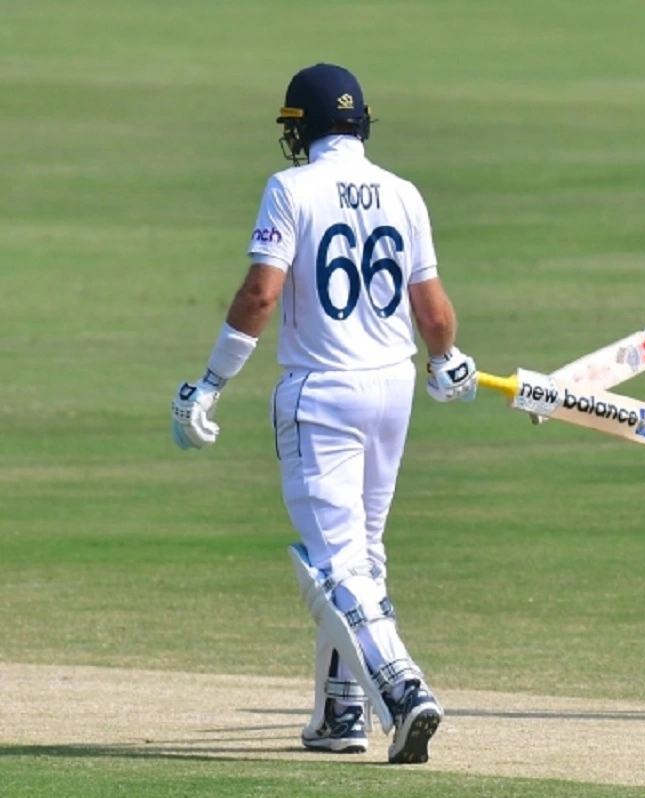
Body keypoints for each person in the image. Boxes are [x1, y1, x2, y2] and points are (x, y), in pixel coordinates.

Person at [170, 63, 479, 763]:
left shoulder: (291, 189)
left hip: (321, 391)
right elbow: (431, 309)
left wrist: (210, 383)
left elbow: (260, 296)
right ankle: (341, 712)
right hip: (391, 389)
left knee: (333, 566)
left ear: (300, 128)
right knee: (362, 555)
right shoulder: (404, 193)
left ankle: (401, 688)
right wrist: (444, 360)